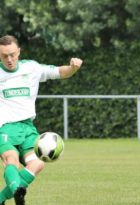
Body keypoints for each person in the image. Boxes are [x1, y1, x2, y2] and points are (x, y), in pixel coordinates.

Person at [0, 35, 83, 205]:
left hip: (28, 128)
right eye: (4, 56)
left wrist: (73, 68)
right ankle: (17, 191)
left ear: (19, 52)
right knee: (11, 160)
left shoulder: (32, 68)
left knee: (38, 163)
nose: (9, 59)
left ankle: (4, 196)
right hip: (5, 127)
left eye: (12, 54)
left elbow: (60, 72)